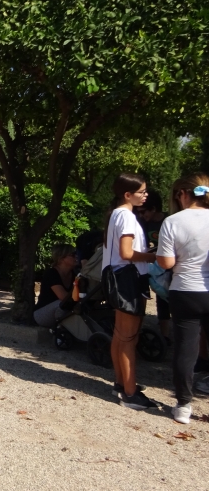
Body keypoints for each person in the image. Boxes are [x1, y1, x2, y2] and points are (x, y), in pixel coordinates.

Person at [155, 173, 209, 424]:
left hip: (185, 290)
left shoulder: (173, 221)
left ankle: (183, 405)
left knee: (186, 349)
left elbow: (166, 262)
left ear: (182, 194)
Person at [103, 173, 158, 410]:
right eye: (142, 191)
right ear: (127, 194)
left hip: (119, 277)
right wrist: (153, 256)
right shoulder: (126, 216)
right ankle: (130, 392)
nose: (145, 195)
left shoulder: (116, 214)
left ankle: (121, 382)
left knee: (120, 335)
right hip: (128, 279)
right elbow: (126, 253)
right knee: (128, 337)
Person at [137, 190, 171, 344]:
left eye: (143, 211)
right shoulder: (143, 224)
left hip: (169, 265)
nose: (141, 215)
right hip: (152, 265)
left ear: (153, 208)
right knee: (156, 297)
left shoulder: (169, 221)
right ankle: (164, 336)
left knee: (169, 299)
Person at [33, 244, 77, 328]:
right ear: (61, 258)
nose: (76, 256)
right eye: (73, 255)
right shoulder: (51, 273)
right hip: (42, 314)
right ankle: (61, 331)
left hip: (62, 310)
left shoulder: (74, 274)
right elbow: (63, 297)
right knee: (61, 304)